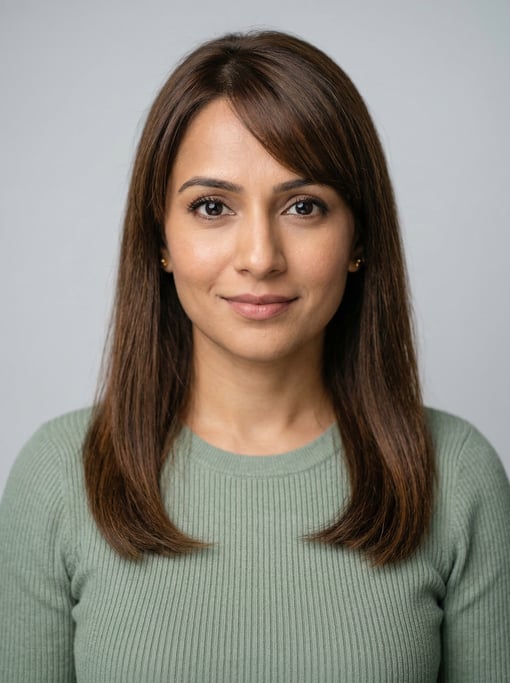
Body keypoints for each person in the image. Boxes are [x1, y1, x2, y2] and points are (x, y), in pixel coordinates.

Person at [1, 30, 509, 683]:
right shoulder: (56, 479)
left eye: (304, 206)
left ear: (358, 236)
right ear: (161, 239)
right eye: (212, 207)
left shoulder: (459, 477)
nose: (261, 256)